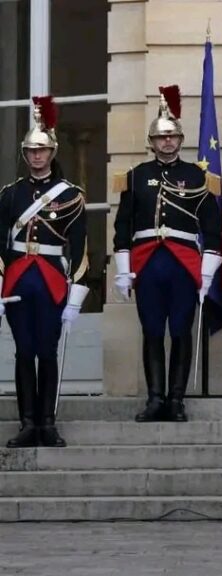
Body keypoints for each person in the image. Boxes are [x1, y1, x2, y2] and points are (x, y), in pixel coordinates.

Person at [112, 85, 222, 423]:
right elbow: (122, 227)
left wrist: (206, 273)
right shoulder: (135, 177)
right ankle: (155, 399)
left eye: (173, 136)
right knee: (151, 331)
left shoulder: (199, 177)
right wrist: (122, 268)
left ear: (181, 139)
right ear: (152, 142)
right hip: (147, 262)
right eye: (162, 138)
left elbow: (214, 230)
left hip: (183, 264)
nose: (168, 142)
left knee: (179, 330)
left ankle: (176, 400)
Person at [0, 96, 89, 448]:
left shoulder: (71, 196)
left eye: (42, 151)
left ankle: (48, 423)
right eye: (31, 151)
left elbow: (80, 248)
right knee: (24, 351)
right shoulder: (10, 195)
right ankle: (27, 422)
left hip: (52, 280)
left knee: (47, 352)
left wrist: (77, 294)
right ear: (24, 155)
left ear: (52, 153)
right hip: (19, 280)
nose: (37, 157)